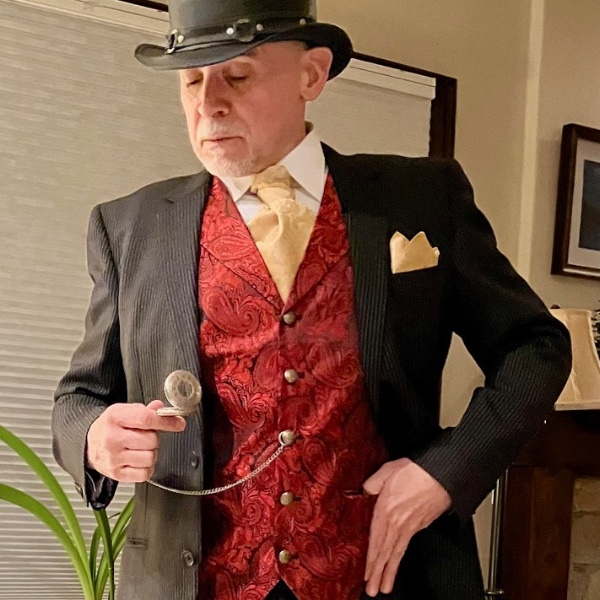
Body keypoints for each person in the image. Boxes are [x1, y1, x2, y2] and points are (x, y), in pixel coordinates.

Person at [51, 1, 572, 599]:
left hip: (386, 575)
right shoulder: (129, 227)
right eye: (191, 81)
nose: (208, 103)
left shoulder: (422, 198)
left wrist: (446, 471)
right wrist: (95, 437)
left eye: (236, 75)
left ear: (311, 74)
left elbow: (536, 346)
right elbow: (79, 398)